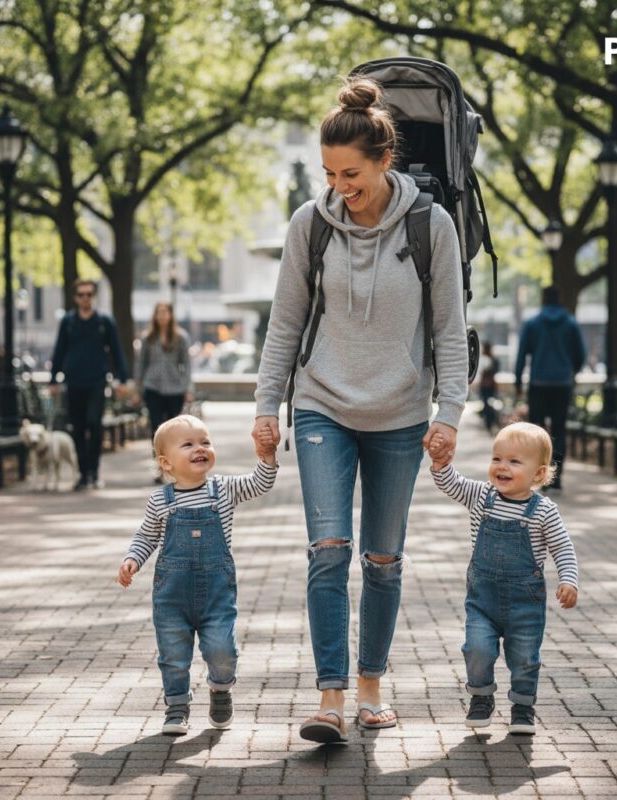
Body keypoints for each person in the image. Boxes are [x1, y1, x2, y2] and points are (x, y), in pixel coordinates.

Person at [252, 76, 468, 743]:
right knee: (327, 551)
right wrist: (267, 406)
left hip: (401, 413)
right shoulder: (310, 225)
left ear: (384, 161)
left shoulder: (432, 227)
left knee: (382, 558)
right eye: (328, 172)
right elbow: (284, 325)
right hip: (322, 405)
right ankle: (330, 697)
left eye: (351, 172)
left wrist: (450, 412)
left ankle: (372, 684)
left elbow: (449, 331)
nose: (339, 184)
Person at [116, 414, 278, 736]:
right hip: (172, 598)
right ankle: (177, 705)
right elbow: (147, 536)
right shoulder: (160, 501)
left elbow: (261, 483)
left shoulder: (225, 489)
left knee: (222, 649)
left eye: (205, 442)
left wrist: (267, 457)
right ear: (166, 462)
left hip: (216, 595)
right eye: (188, 444)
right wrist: (133, 559)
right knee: (173, 654)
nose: (200, 448)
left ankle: (220, 689)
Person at [428, 422, 578, 734]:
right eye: (497, 458)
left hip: (525, 605)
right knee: (476, 648)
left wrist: (569, 579)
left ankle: (523, 706)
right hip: (483, 600)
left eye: (514, 461)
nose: (502, 467)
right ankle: (481, 697)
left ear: (538, 474)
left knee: (524, 657)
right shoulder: (482, 496)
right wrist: (442, 464)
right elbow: (451, 484)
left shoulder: (544, 511)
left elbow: (562, 546)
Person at [49, 279, 129, 490]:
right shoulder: (68, 321)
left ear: (94, 296)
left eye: (89, 294)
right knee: (77, 427)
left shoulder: (105, 321)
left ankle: (94, 470)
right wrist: (52, 379)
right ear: (75, 297)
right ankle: (83, 474)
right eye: (81, 294)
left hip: (97, 380)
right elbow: (59, 350)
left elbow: (116, 351)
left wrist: (122, 379)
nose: (85, 298)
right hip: (73, 380)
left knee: (94, 423)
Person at [514, 286, 586, 490]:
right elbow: (580, 355)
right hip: (562, 384)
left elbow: (521, 355)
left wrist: (518, 381)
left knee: (536, 430)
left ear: (543, 300)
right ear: (559, 300)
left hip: (538, 383)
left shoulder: (532, 324)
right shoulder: (570, 324)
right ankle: (557, 478)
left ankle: (538, 478)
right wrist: (572, 372)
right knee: (559, 430)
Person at [135, 302, 194, 454]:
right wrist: (137, 389)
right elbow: (141, 364)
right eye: (158, 312)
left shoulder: (181, 337)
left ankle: (172, 461)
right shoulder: (147, 337)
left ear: (170, 315)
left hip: (175, 388)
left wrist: (188, 388)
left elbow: (187, 365)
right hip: (152, 386)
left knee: (173, 428)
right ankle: (158, 462)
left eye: (164, 312)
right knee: (156, 426)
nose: (161, 316)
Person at [478, 341, 499, 433]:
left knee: (489, 405)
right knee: (487, 405)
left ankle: (490, 422)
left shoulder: (492, 360)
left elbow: (493, 371)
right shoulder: (489, 359)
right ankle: (489, 423)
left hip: (489, 385)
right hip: (487, 386)